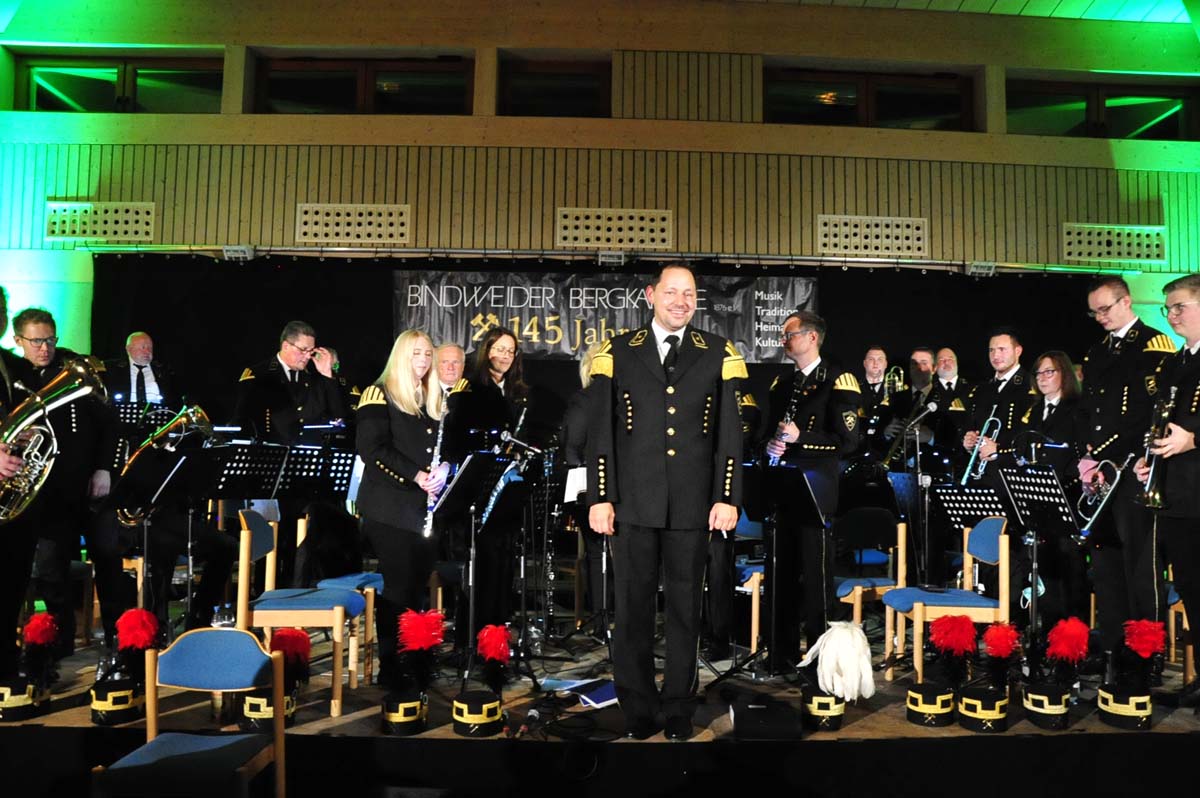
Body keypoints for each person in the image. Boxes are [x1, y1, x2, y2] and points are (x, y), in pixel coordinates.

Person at [587, 263, 745, 741]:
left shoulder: (719, 352)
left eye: (689, 293)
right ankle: (636, 707)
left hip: (693, 507)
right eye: (672, 292)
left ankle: (678, 707)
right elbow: (601, 433)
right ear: (651, 295)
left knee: (683, 612)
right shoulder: (617, 351)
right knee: (632, 610)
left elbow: (730, 435)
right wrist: (601, 497)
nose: (681, 300)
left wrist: (727, 496)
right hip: (633, 504)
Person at [13, 308, 121, 657]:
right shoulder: (15, 376)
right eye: (36, 341)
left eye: (49, 339)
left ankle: (120, 640)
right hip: (47, 491)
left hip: (91, 484)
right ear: (18, 341)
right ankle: (60, 642)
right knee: (51, 567)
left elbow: (109, 425)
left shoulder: (76, 366)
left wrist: (104, 469)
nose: (45, 348)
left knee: (108, 558)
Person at [1080, 276, 1174, 674]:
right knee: (1106, 564)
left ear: (1126, 301)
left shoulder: (1154, 343)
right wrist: (1089, 456)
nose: (1100, 317)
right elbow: (1090, 410)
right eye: (1094, 311)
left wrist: (1128, 455)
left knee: (1141, 564)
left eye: (1105, 309)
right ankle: (1114, 647)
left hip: (1134, 467)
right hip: (1102, 473)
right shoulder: (1098, 352)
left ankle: (1146, 652)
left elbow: (1155, 409)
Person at [763, 310, 862, 667]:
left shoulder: (838, 380)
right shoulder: (781, 384)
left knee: (817, 579)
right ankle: (781, 654)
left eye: (790, 333)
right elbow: (767, 431)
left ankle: (821, 660)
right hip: (782, 489)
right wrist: (771, 444)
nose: (784, 340)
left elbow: (848, 441)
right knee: (780, 574)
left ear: (812, 337)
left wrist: (801, 437)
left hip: (815, 493)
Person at [354, 330, 448, 687]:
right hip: (388, 507)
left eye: (428, 354)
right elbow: (372, 449)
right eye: (416, 354)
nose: (424, 361)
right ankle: (392, 666)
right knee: (398, 587)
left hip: (423, 509)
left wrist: (444, 469)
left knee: (418, 587)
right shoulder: (378, 393)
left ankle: (419, 659)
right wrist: (417, 475)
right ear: (401, 356)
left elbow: (443, 446)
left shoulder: (432, 396)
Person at [231, 320, 348, 587]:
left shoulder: (317, 377)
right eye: (303, 350)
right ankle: (264, 593)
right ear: (286, 345)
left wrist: (329, 376)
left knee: (306, 535)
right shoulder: (260, 374)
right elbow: (242, 421)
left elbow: (341, 416)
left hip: (306, 471)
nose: (308, 356)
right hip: (268, 470)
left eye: (311, 351)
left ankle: (299, 589)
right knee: (270, 540)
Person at [1134, 273, 1200, 707]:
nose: (1171, 315)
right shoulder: (1176, 361)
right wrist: (1150, 461)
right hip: (1177, 494)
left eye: (1180, 306)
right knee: (1193, 590)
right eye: (1168, 308)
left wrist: (1195, 439)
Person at [987, 351, 1090, 629]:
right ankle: (1042, 633)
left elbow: (1079, 454)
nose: (1043, 378)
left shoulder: (1077, 409)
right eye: (1039, 373)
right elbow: (1021, 446)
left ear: (1064, 375)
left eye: (1050, 372)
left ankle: (1070, 639)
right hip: (1035, 503)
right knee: (1039, 572)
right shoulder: (1033, 410)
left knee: (1067, 572)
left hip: (1065, 500)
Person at [559, 343, 608, 640]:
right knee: (606, 555)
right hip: (614, 489)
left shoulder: (586, 399)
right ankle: (608, 619)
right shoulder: (620, 399)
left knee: (597, 554)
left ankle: (602, 621)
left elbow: (571, 447)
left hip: (591, 488)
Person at [0, 286, 36, 681]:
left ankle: (6, 668)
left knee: (11, 586)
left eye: (1, 308)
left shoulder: (11, 365)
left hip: (12, 504)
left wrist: (21, 436)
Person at [961, 328, 1034, 484]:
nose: (995, 355)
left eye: (1002, 349)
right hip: (981, 476)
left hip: (1012, 477)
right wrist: (969, 442)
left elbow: (1028, 437)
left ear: (1018, 351)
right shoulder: (982, 390)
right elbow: (973, 426)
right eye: (991, 350)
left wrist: (999, 450)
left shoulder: (1030, 386)